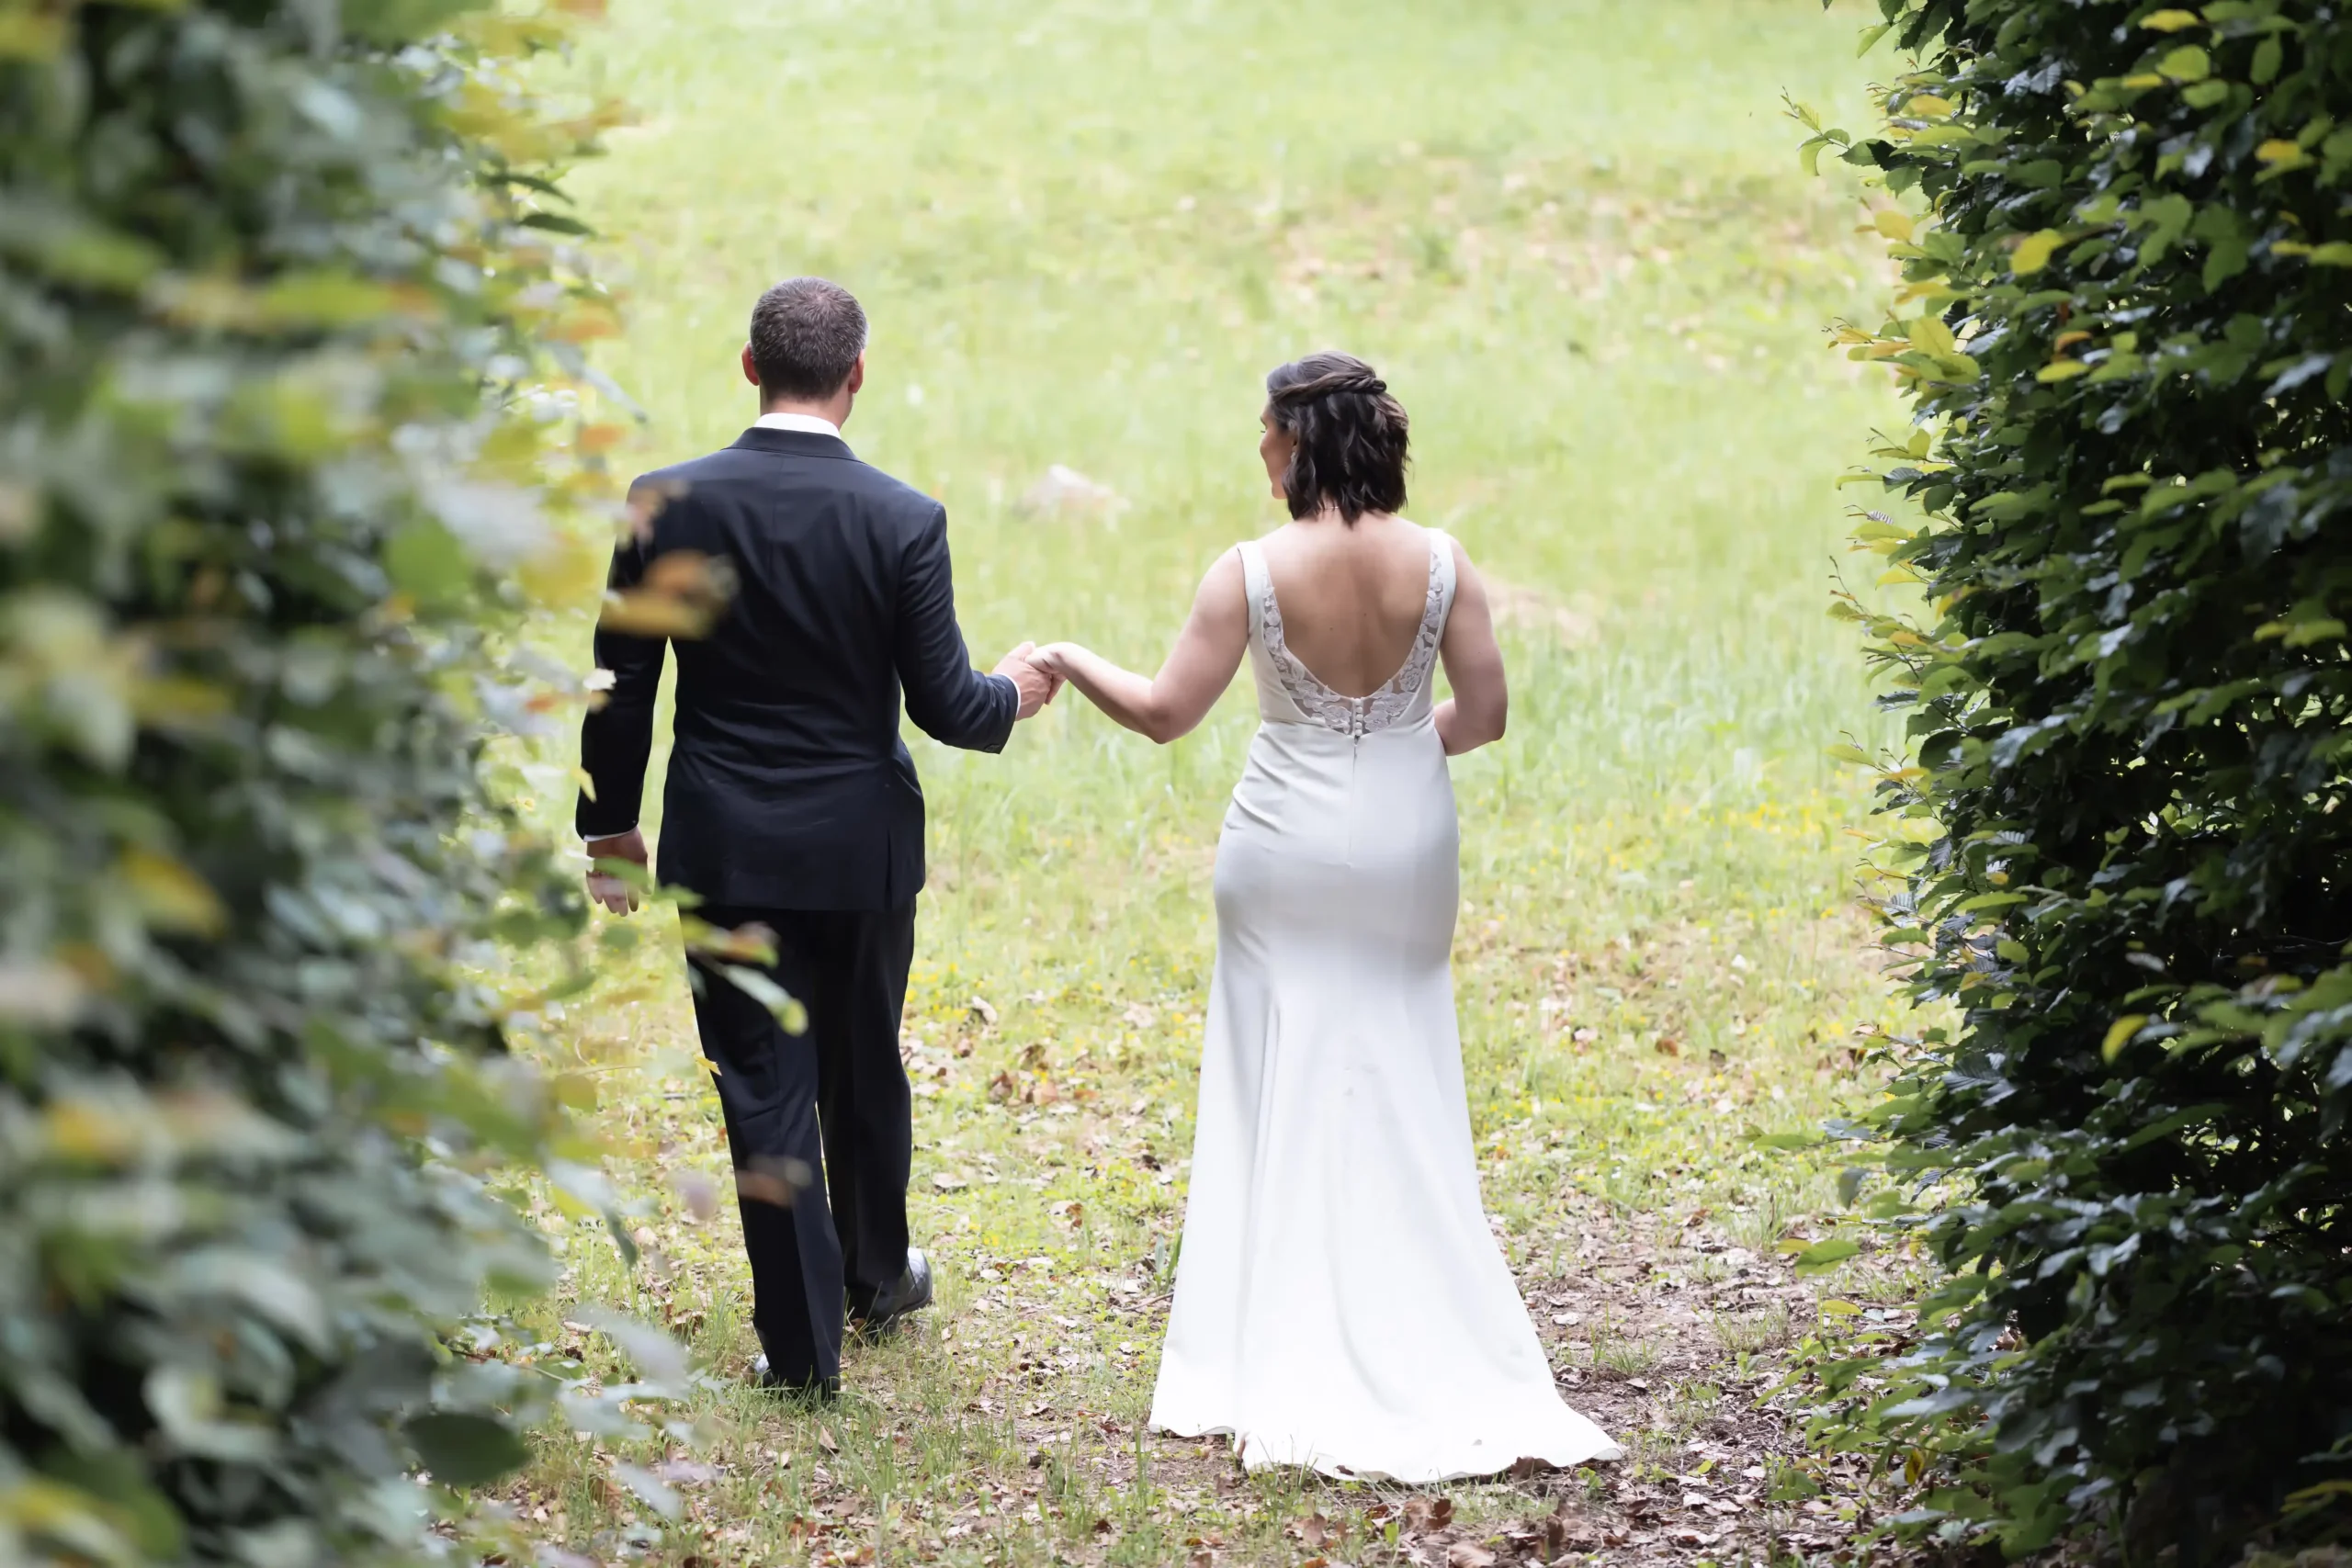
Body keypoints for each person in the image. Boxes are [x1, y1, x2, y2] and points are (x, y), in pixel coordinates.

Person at [1034, 351, 1621, 1481]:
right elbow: (1486, 715)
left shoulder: (1248, 573)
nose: (1255, 449)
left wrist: (1063, 655)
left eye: (1263, 430)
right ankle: (1426, 1315)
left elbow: (1163, 714)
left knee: (1282, 1070)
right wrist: (1392, 752)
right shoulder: (1443, 563)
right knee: (1399, 1058)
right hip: (1408, 841)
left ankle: (1272, 1337)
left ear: (1297, 444)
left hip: (1282, 842)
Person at [574, 277, 1057, 1400]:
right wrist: (1018, 692)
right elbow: (946, 705)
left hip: (724, 847)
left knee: (762, 1085)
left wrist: (607, 826)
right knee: (862, 1067)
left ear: (748, 368)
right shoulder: (900, 517)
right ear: (856, 378)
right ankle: (879, 1278)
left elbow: (619, 680)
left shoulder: (665, 502)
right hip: (860, 853)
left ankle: (801, 1351)